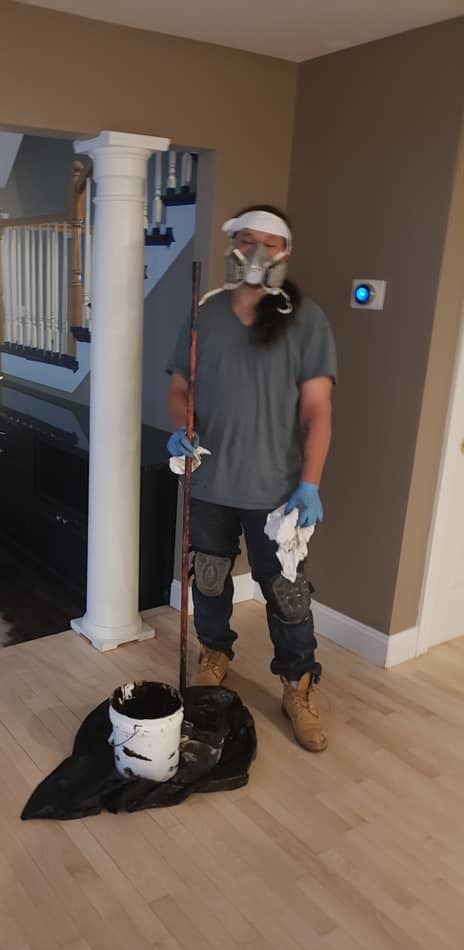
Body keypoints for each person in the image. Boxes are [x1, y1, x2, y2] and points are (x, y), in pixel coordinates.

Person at [166, 205, 336, 752]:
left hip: (277, 492)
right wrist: (179, 428)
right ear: (231, 247)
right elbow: (180, 388)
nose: (257, 253)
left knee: (288, 595)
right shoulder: (205, 314)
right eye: (246, 240)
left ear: (285, 253)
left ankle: (297, 684)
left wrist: (309, 483)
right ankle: (215, 652)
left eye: (270, 242)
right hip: (209, 481)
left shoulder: (305, 319)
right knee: (209, 580)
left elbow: (318, 411)